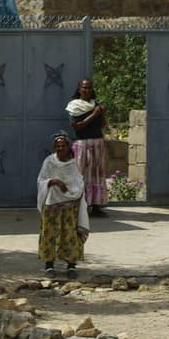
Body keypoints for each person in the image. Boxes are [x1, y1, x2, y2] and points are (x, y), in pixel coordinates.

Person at [36, 132, 90, 278]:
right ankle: (49, 266)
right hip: (52, 204)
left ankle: (71, 266)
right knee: (49, 234)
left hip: (70, 205)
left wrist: (73, 191)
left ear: (68, 147)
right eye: (58, 146)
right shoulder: (49, 162)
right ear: (55, 147)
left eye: (63, 146)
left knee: (70, 235)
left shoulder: (73, 163)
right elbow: (41, 180)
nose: (60, 148)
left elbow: (79, 181)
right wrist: (53, 182)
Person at [65, 78, 109, 215]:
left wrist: (102, 113)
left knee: (96, 175)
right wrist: (94, 114)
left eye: (89, 88)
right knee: (80, 175)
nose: (87, 90)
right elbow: (77, 127)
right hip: (81, 144)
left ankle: (95, 206)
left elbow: (102, 125)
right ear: (79, 89)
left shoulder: (95, 104)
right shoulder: (74, 106)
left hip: (97, 143)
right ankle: (79, 206)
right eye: (84, 88)